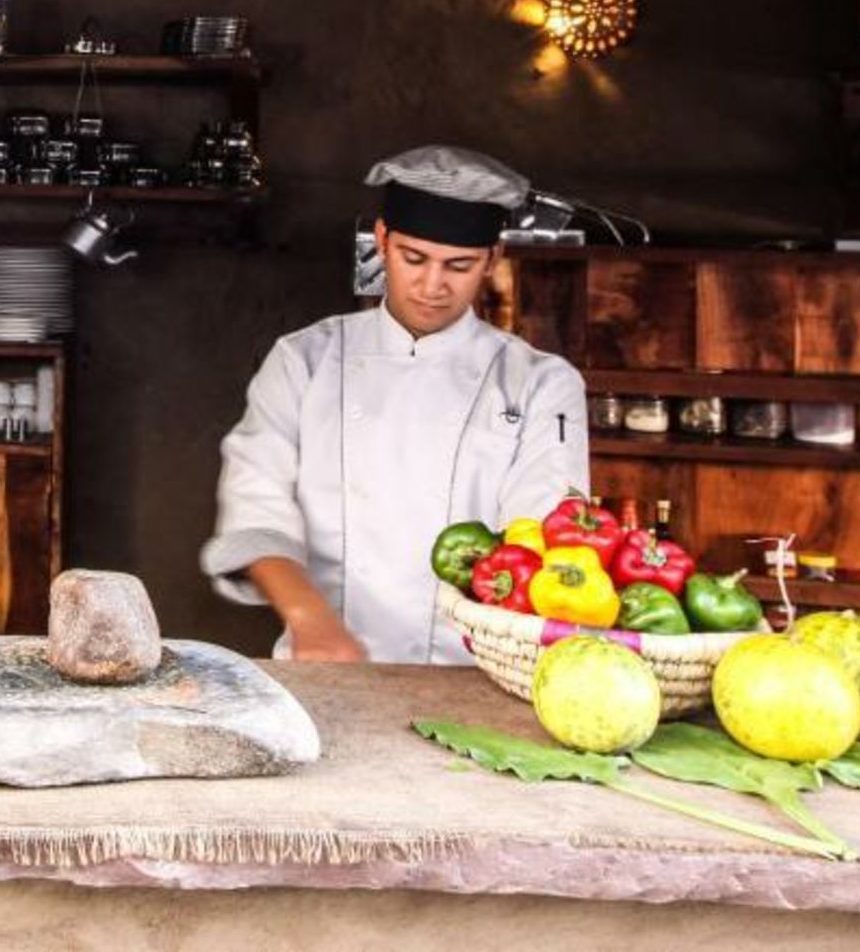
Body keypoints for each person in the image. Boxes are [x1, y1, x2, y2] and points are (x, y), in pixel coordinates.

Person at [200, 145, 588, 664]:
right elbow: (256, 507)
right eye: (413, 258)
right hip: (329, 668)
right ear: (382, 240)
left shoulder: (541, 384)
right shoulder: (305, 361)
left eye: (459, 265)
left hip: (480, 674)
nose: (432, 285)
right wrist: (309, 619)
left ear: (493, 259)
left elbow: (544, 538)